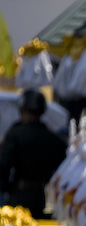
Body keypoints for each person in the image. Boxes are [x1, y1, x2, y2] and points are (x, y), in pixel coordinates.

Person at [0, 89, 66, 218]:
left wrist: (6, 188)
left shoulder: (15, 134)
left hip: (19, 194)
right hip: (41, 196)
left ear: (23, 110)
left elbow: (3, 165)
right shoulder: (52, 138)